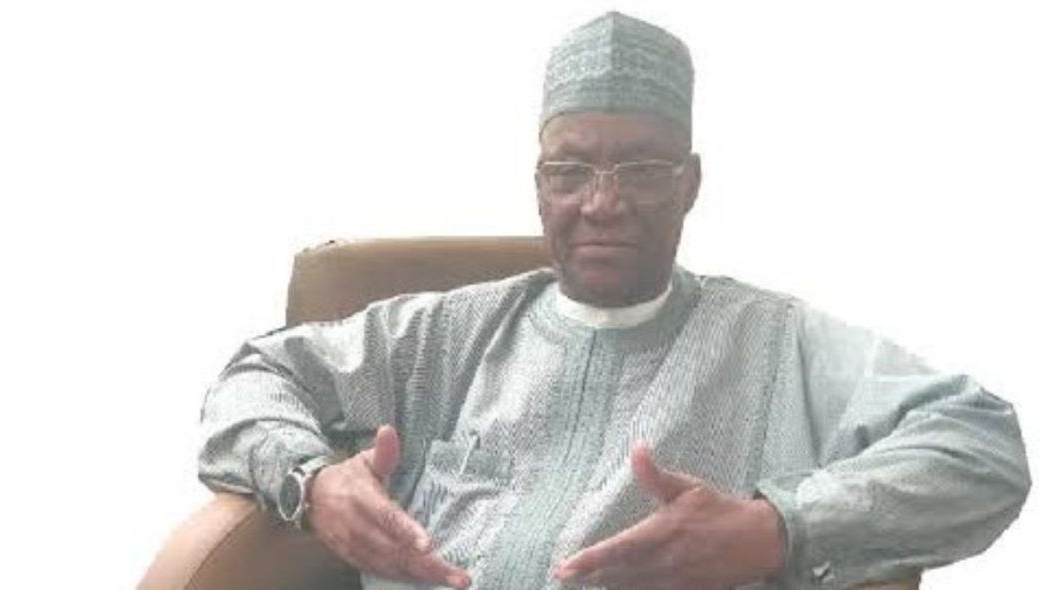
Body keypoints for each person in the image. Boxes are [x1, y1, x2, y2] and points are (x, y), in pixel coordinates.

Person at [197, 11, 1030, 590]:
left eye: (642, 169)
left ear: (691, 184)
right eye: (571, 171)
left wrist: (775, 527)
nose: (603, 203)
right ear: (540, 186)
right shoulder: (447, 333)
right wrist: (311, 483)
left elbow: (980, 443)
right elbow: (255, 375)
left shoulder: (776, 346)